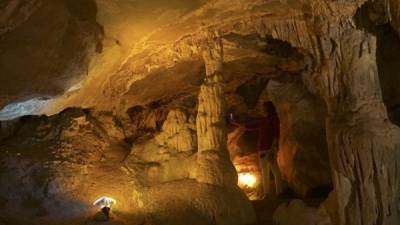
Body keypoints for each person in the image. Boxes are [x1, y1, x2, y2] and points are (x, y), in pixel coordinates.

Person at [230, 101, 284, 197]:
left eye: (263, 108)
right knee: (265, 171)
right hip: (262, 149)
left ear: (268, 109)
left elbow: (276, 135)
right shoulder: (263, 120)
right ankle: (267, 193)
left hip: (269, 149)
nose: (262, 110)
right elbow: (249, 126)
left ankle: (279, 192)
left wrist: (273, 149)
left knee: (275, 170)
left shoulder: (273, 119)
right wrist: (236, 123)